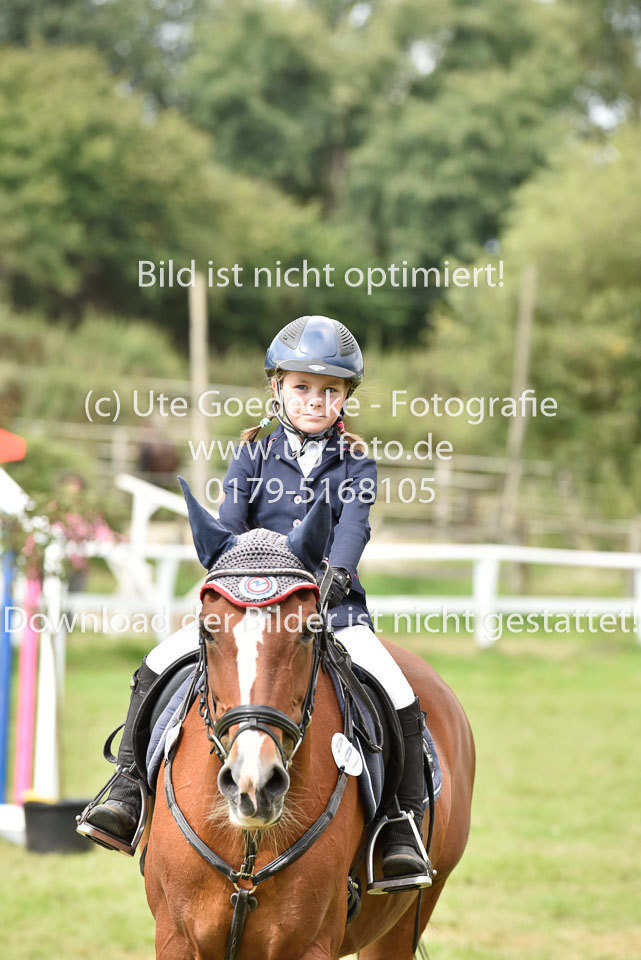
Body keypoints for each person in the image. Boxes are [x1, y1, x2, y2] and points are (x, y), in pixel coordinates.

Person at [84, 315, 428, 881]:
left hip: (331, 608)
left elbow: (353, 528)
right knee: (155, 664)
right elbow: (230, 524)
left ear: (345, 397)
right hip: (250, 607)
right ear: (277, 388)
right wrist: (232, 572)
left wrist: (335, 576)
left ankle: (398, 824)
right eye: (302, 387)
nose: (315, 400)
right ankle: (127, 788)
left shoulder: (356, 462)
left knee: (399, 691)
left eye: (330, 390)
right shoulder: (252, 454)